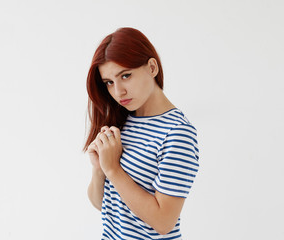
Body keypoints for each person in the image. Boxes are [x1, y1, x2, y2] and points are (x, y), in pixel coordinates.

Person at [83, 27, 199, 240]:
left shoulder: (177, 133)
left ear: (152, 67)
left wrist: (113, 169)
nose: (118, 92)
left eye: (125, 75)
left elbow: (164, 222)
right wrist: (99, 169)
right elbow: (103, 205)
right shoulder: (122, 122)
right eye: (109, 82)